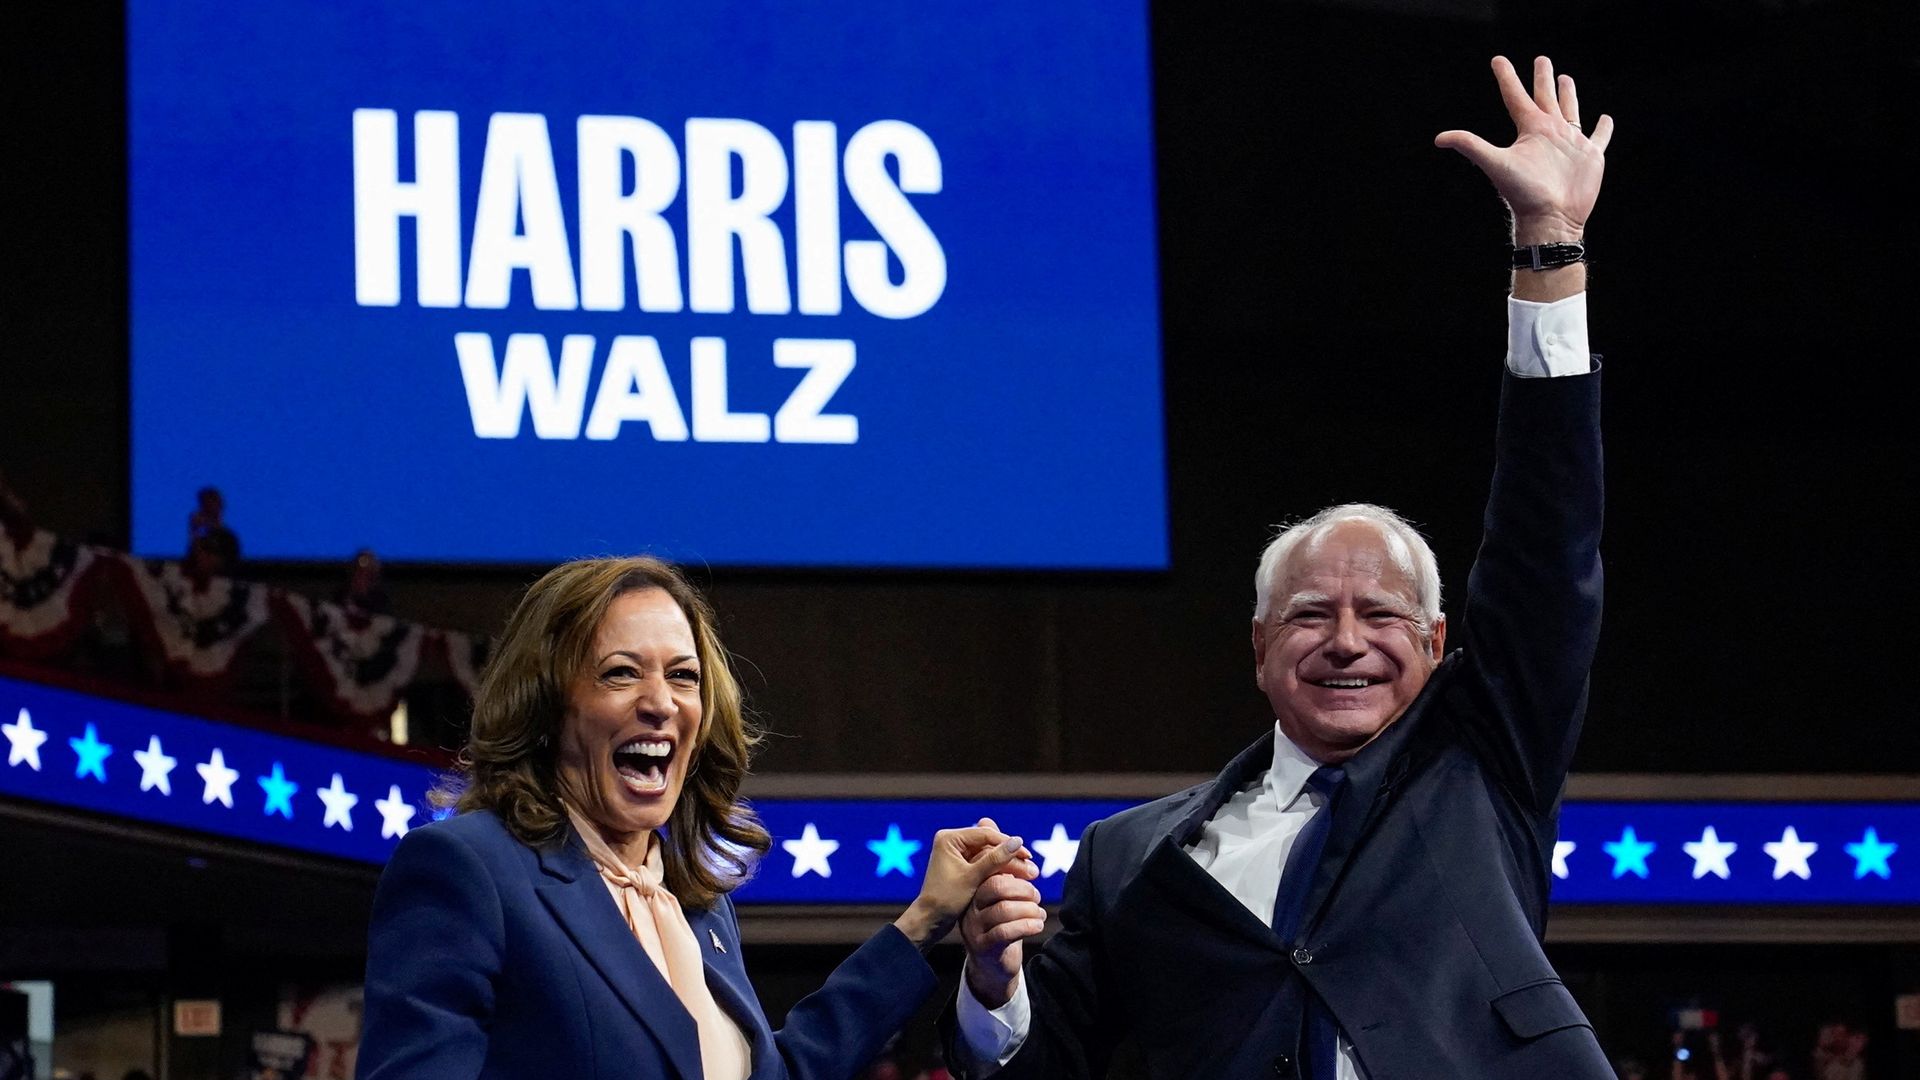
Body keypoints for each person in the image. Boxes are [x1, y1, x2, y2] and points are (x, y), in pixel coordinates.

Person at [944, 55, 1615, 1079]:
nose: (1346, 639)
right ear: (1260, 649)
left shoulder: (1484, 761)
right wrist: (994, 984)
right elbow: (1044, 1063)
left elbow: (1546, 540)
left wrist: (1548, 247)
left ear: (1437, 646)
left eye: (1382, 615)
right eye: (1310, 616)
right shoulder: (1128, 860)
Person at [358, 556, 1032, 1080]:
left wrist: (923, 923)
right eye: (622, 673)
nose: (661, 703)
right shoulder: (469, 868)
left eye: (683, 677)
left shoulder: (696, 910)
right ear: (548, 706)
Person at [185, 486, 240, 575]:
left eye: (209, 506)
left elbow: (206, 566)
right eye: (203, 507)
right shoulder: (201, 538)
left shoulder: (228, 538)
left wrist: (194, 532)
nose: (205, 511)